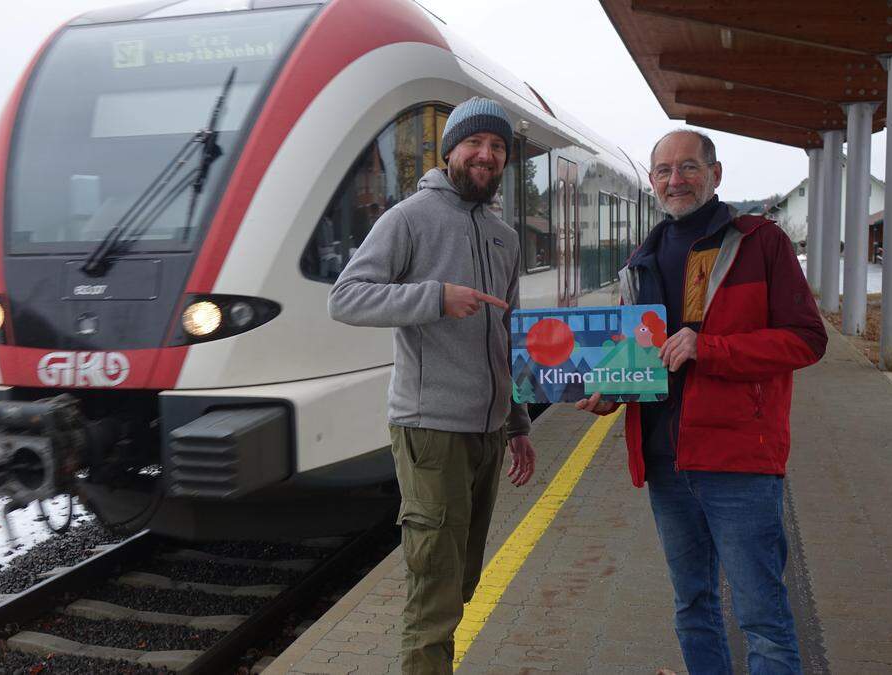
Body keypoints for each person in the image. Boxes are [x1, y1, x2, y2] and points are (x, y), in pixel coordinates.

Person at [577, 129, 827, 675]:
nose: (675, 180)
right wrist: (613, 391)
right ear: (652, 182)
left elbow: (808, 339)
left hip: (738, 459)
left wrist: (708, 347)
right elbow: (641, 355)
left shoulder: (760, 241)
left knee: (761, 618)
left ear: (715, 174)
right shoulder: (640, 260)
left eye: (688, 167)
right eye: (663, 171)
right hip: (665, 461)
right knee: (693, 606)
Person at [328, 96, 537, 675]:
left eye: (497, 148)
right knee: (435, 592)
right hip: (431, 429)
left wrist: (518, 422)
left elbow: (508, 337)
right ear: (450, 151)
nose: (486, 155)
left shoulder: (504, 236)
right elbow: (345, 298)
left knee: (461, 578)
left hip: (488, 432)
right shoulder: (408, 218)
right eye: (475, 143)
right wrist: (435, 298)